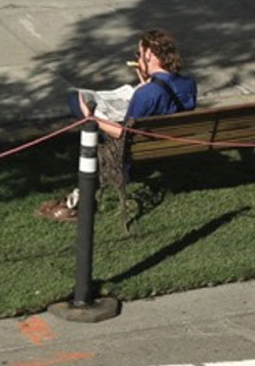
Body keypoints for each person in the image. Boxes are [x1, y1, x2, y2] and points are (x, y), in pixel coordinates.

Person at [38, 28, 197, 222]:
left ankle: (81, 193)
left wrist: (92, 118)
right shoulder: (189, 83)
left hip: (136, 150)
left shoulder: (146, 94)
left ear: (149, 55)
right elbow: (166, 102)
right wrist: (146, 80)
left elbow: (123, 134)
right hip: (168, 143)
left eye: (139, 54)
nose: (138, 59)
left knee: (75, 99)